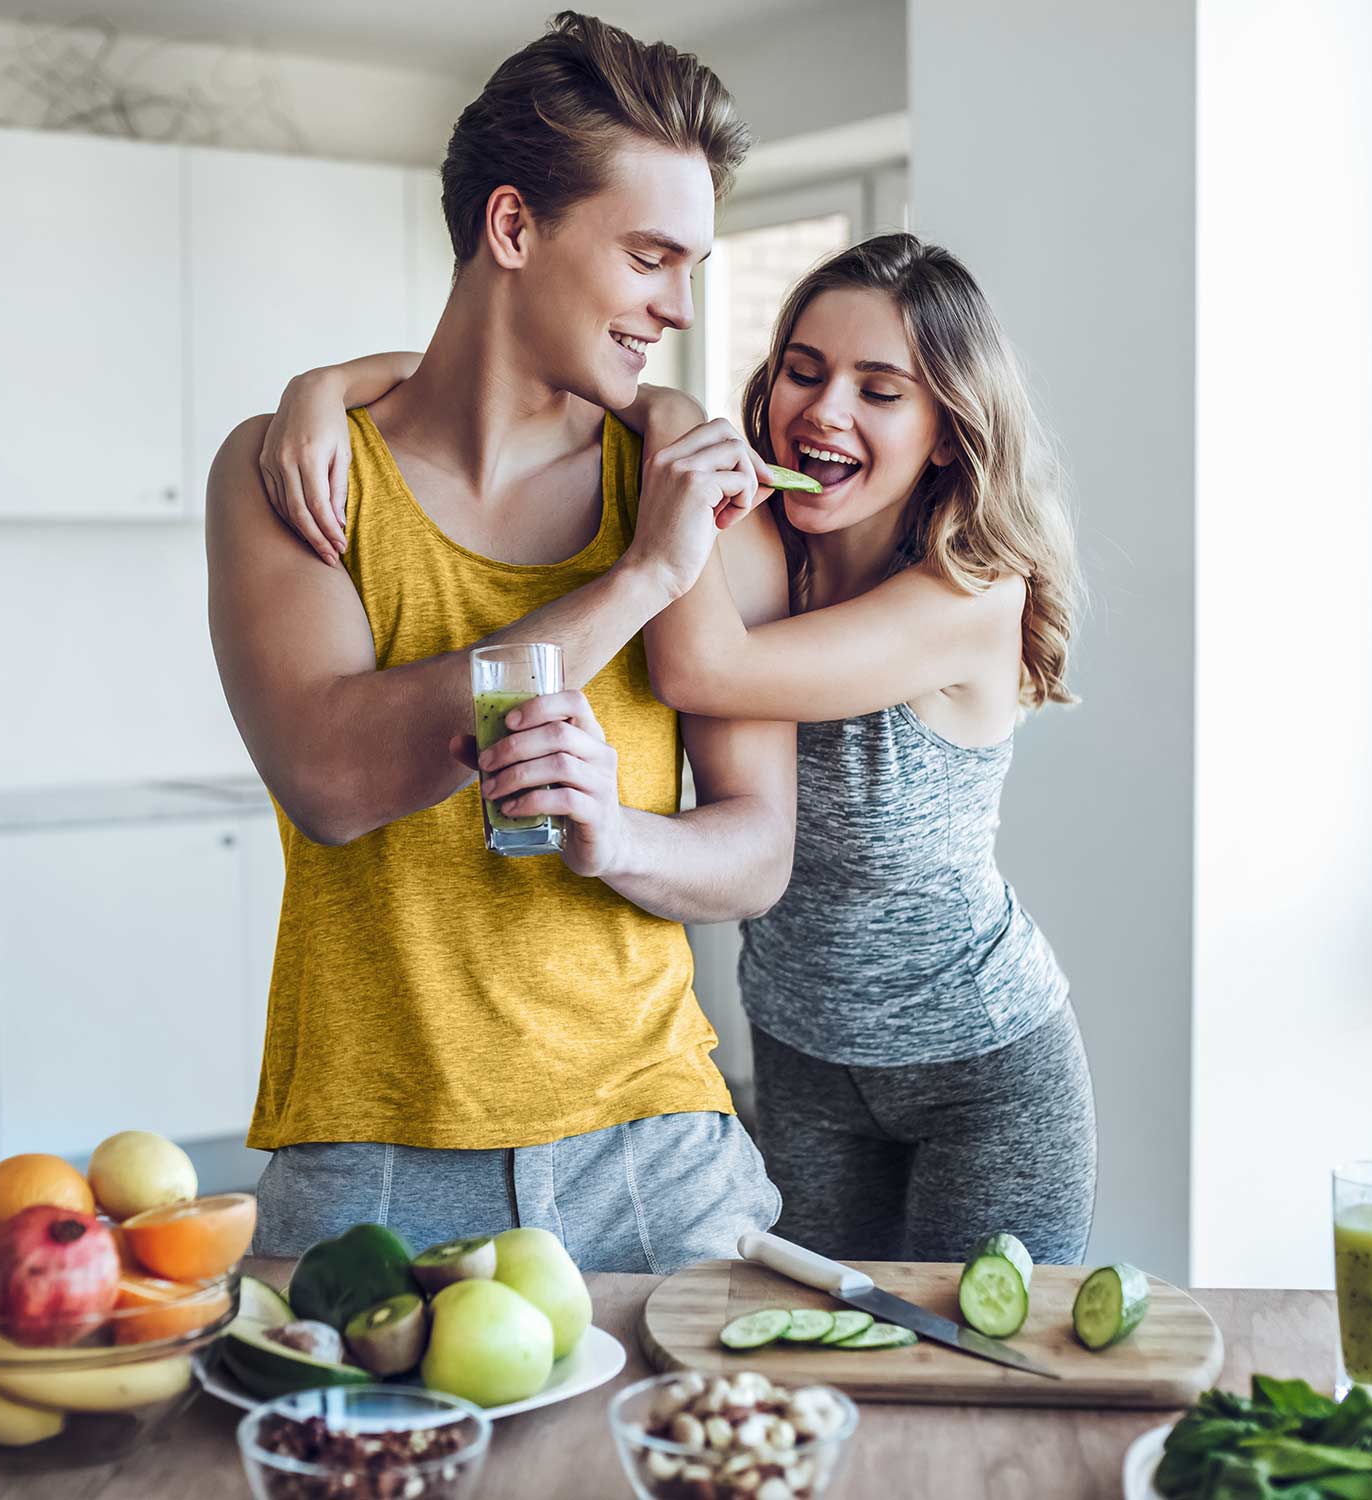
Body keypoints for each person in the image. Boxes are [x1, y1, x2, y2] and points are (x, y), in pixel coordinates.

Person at [259, 234, 1096, 1265]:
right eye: (803, 370)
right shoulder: (762, 546)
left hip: (977, 1064)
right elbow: (493, 365)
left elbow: (701, 671)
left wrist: (666, 427)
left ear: (942, 433)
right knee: (827, 1370)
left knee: (982, 1381)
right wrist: (324, 386)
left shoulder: (968, 597)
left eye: (880, 390)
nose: (825, 409)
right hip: (798, 1057)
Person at [205, 12, 796, 1273]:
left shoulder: (682, 472)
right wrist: (637, 579)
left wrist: (619, 836)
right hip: (370, 1157)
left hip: (659, 1156)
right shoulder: (301, 472)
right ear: (513, 228)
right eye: (648, 258)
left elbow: (755, 854)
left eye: (690, 268)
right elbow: (331, 778)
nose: (676, 310)